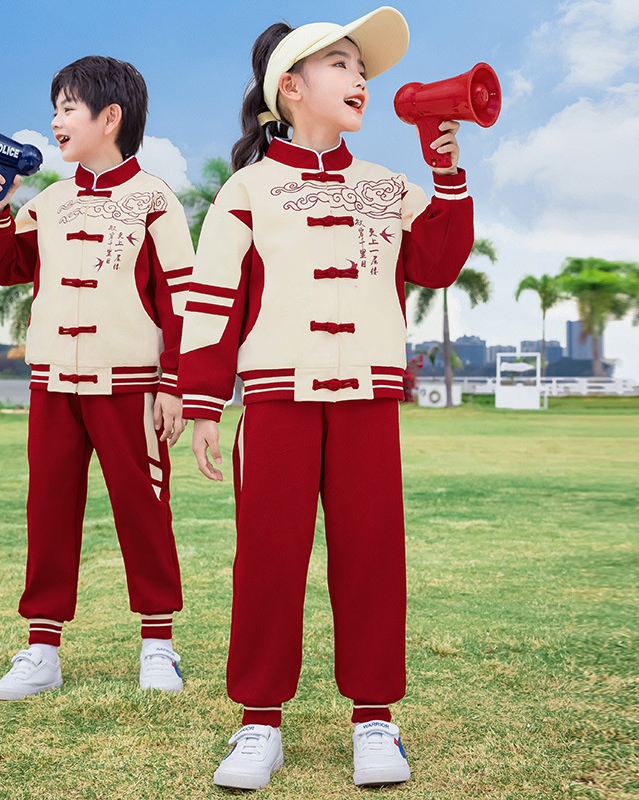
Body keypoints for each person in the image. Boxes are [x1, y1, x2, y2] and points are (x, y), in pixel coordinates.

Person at [178, 8, 474, 790]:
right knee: (269, 563)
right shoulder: (246, 190)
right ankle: (257, 725)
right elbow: (212, 304)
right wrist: (203, 402)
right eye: (342, 65)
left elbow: (440, 261)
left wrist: (445, 172)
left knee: (374, 561)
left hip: (369, 402)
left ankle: (376, 721)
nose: (361, 81)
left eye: (363, 70)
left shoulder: (388, 187)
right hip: (276, 403)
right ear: (291, 87)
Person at [0, 55, 194, 701]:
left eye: (67, 107)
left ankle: (158, 645)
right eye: (56, 107)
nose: (55, 120)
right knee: (49, 512)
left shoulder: (155, 200)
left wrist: (175, 382)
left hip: (131, 386)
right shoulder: (51, 202)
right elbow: (9, 264)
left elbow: (182, 295)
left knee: (144, 511)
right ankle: (41, 651)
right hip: (54, 385)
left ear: (110, 117)